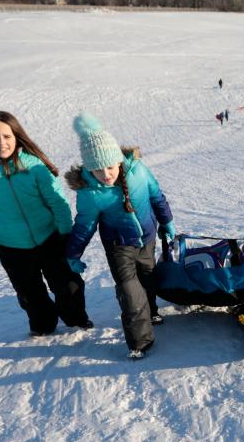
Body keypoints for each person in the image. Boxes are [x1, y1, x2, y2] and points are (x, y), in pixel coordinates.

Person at [0, 110, 91, 337]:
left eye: (7, 136)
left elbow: (57, 202)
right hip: (10, 244)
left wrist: (66, 235)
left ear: (16, 136)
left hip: (49, 236)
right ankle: (43, 325)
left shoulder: (32, 164)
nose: (1, 142)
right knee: (30, 293)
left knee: (68, 285)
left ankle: (77, 319)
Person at [65, 113, 175, 359]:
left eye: (109, 166)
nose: (105, 174)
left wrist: (167, 221)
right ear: (88, 169)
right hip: (118, 246)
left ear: (118, 160)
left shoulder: (138, 171)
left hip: (147, 238)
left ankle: (152, 311)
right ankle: (139, 343)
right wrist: (73, 253)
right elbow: (84, 224)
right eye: (97, 169)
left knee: (148, 279)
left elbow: (157, 196)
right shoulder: (90, 193)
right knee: (129, 291)